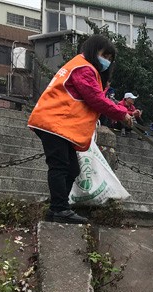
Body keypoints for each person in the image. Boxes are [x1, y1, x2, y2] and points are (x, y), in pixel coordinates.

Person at [27, 34, 132, 224]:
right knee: (60, 166)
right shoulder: (83, 67)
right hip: (55, 123)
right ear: (93, 50)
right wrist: (122, 114)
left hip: (59, 124)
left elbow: (94, 96)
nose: (106, 61)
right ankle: (60, 209)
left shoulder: (82, 67)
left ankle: (56, 209)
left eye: (110, 58)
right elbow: (95, 99)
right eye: (104, 55)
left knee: (72, 169)